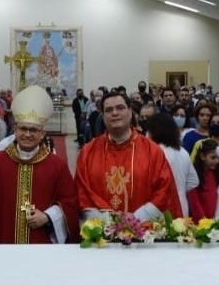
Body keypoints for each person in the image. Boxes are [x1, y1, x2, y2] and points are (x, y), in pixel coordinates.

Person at [0, 85, 79, 243]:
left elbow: (70, 203)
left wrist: (47, 216)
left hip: (41, 245)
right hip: (3, 242)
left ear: (42, 133)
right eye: (23, 128)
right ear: (15, 130)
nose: (27, 134)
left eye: (33, 130)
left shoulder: (57, 165)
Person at [76, 91, 181, 222]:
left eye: (120, 108)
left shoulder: (152, 150)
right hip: (101, 234)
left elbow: (164, 189)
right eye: (109, 110)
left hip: (144, 231)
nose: (115, 113)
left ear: (130, 112)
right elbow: (82, 192)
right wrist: (106, 221)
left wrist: (138, 218)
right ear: (103, 116)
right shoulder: (88, 152)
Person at [146, 114, 198, 218]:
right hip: (182, 207)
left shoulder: (156, 153)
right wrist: (180, 189)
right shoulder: (183, 152)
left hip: (162, 208)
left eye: (148, 130)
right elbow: (194, 181)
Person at [187, 139, 219, 220]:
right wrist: (204, 222)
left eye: (218, 158)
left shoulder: (217, 174)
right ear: (202, 156)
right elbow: (195, 205)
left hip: (216, 222)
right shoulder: (194, 177)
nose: (217, 161)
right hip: (201, 226)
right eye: (213, 157)